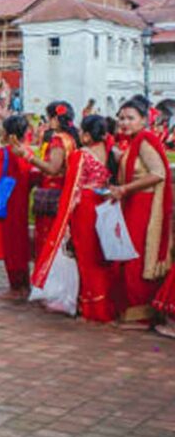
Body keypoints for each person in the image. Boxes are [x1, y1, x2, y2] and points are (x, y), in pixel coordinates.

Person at [31, 115, 118, 322]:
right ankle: (102, 304)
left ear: (87, 135)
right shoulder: (110, 153)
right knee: (101, 256)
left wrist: (65, 219)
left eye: (81, 132)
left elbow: (73, 189)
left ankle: (91, 308)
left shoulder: (81, 155)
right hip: (103, 204)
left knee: (86, 257)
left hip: (85, 208)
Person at [111, 96, 172, 327]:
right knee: (130, 254)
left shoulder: (145, 140)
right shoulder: (135, 141)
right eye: (122, 118)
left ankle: (141, 312)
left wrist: (125, 188)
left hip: (143, 206)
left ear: (144, 120)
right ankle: (133, 310)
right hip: (134, 203)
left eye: (130, 118)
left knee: (137, 255)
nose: (124, 122)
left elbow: (159, 174)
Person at [0, 115, 34, 298]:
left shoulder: (4, 153)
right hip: (22, 203)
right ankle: (25, 284)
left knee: (10, 245)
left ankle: (15, 287)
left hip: (6, 203)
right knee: (21, 244)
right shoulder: (28, 153)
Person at [30, 102, 79, 261]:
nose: (48, 122)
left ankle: (47, 279)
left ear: (56, 119)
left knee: (48, 236)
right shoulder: (72, 138)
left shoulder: (58, 139)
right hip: (65, 189)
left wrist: (29, 157)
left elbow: (52, 169)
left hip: (52, 192)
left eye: (49, 118)